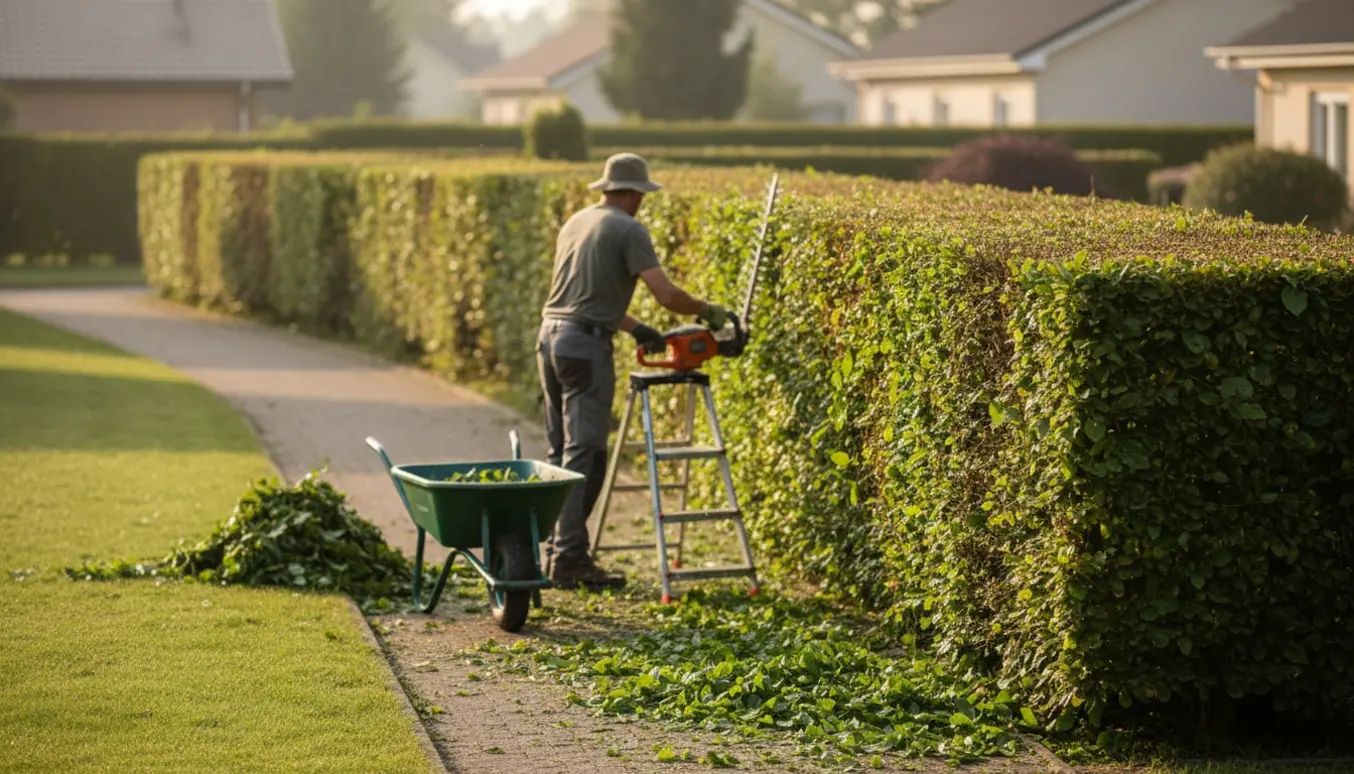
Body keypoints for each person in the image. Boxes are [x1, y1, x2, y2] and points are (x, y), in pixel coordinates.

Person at [538, 153, 728, 590]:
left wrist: (635, 328)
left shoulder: (576, 222)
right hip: (584, 348)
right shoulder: (628, 228)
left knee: (558, 452)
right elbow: (665, 294)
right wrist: (707, 311)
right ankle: (567, 561)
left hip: (549, 338)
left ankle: (552, 551)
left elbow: (577, 297)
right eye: (641, 195)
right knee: (584, 456)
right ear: (635, 193)